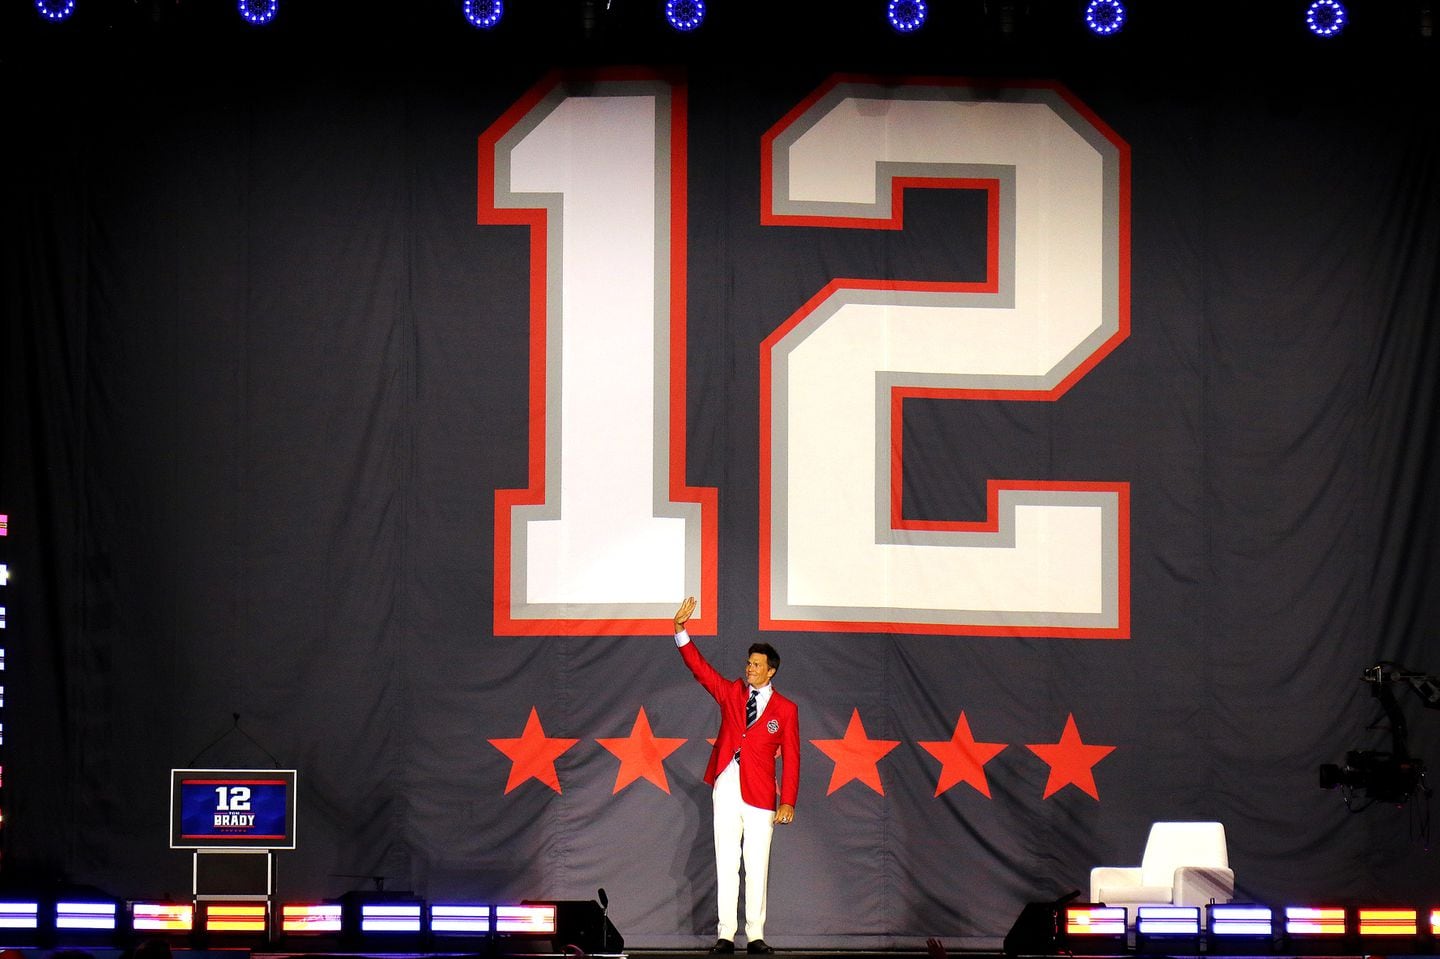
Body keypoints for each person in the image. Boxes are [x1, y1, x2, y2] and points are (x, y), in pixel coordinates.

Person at [673, 596, 800, 956]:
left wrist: (787, 799)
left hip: (761, 794)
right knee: (726, 861)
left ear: (771, 670)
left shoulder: (786, 710)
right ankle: (725, 935)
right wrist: (681, 630)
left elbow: (792, 757)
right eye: (748, 663)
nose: (750, 669)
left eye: (757, 665)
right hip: (727, 785)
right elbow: (701, 669)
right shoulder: (731, 693)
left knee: (756, 864)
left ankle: (755, 935)